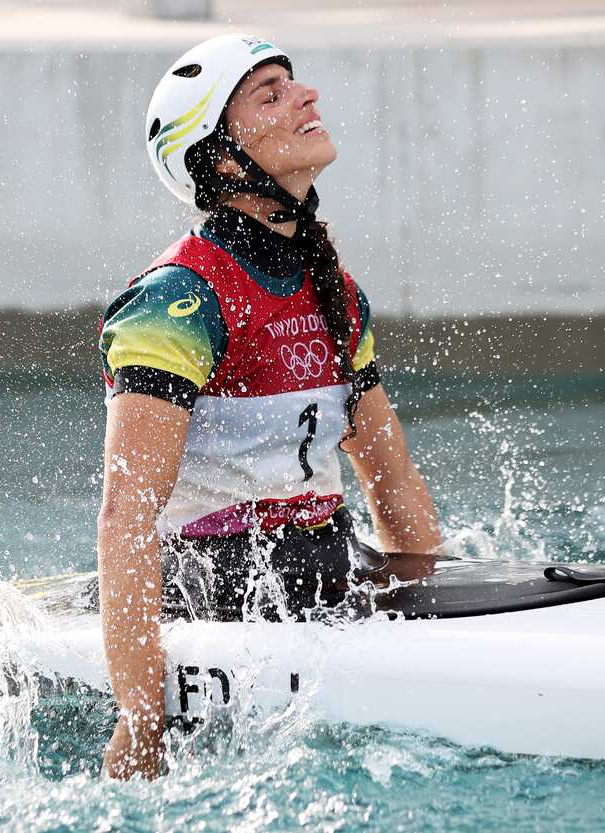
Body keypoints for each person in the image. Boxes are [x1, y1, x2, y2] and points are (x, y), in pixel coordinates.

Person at [96, 34, 442, 781]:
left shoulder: (337, 292)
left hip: (324, 580)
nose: (306, 96)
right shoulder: (177, 301)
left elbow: (394, 481)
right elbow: (126, 514)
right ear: (221, 160)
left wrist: (434, 613)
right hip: (210, 596)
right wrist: (139, 716)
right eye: (270, 93)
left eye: (295, 82)